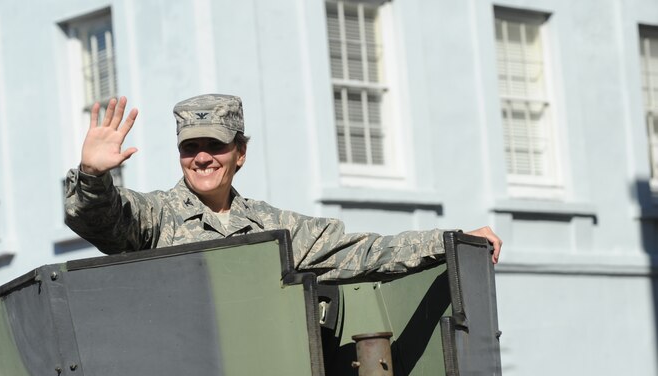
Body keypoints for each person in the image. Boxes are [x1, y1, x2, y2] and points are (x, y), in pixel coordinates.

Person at [65, 94, 501, 283]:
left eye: (214, 146)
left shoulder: (274, 227)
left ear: (240, 153)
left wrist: (452, 241)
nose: (201, 158)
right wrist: (92, 175)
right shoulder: (155, 217)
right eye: (190, 147)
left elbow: (365, 251)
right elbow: (103, 220)